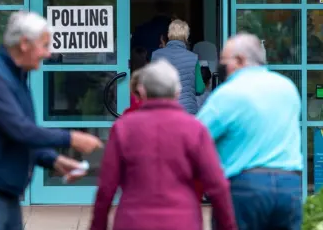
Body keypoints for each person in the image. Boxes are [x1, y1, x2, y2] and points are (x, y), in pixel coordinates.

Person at [0, 11, 103, 230]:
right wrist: (70, 138)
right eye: (44, 45)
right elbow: (19, 128)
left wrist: (51, 160)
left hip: (5, 194)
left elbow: (13, 134)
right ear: (25, 43)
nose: (49, 53)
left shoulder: (16, 75)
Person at [90, 59, 237, 230]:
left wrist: (97, 226)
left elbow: (106, 187)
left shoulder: (123, 128)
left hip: (133, 221)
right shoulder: (195, 129)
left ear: (142, 91)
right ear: (177, 92)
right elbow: (217, 185)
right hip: (183, 221)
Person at [197, 33, 303, 230]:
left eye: (224, 61)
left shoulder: (229, 93)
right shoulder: (287, 87)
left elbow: (196, 138)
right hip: (290, 184)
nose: (222, 67)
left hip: (245, 186)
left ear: (239, 60)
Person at [151, 19, 206, 115]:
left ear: (168, 34)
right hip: (186, 112)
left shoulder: (156, 55)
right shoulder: (193, 58)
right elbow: (200, 88)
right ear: (186, 36)